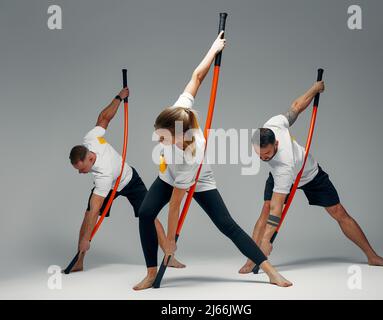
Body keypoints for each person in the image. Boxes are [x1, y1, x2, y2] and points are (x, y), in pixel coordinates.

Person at [134, 32, 292, 290]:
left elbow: (176, 204)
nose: (155, 136)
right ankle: (151, 272)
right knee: (145, 213)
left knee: (226, 224)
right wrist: (213, 48)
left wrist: (171, 240)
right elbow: (197, 77)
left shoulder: (191, 152)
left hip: (196, 178)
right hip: (168, 176)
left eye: (161, 135)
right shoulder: (179, 112)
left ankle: (268, 270)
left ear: (178, 136)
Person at [239, 79, 383, 274]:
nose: (263, 158)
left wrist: (266, 241)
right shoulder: (271, 125)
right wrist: (314, 89)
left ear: (277, 144)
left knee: (338, 211)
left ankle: (372, 256)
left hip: (308, 173)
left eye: (267, 155)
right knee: (264, 210)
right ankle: (251, 258)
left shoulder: (284, 164)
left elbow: (277, 208)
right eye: (259, 155)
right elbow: (295, 108)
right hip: (281, 175)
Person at [68, 87, 185, 272]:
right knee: (87, 216)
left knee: (149, 216)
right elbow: (104, 118)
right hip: (111, 182)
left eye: (81, 169)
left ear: (89, 158)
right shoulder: (90, 139)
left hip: (129, 180)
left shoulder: (102, 175)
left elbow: (96, 208)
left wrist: (85, 239)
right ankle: (79, 260)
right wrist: (118, 97)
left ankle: (169, 257)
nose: (80, 172)